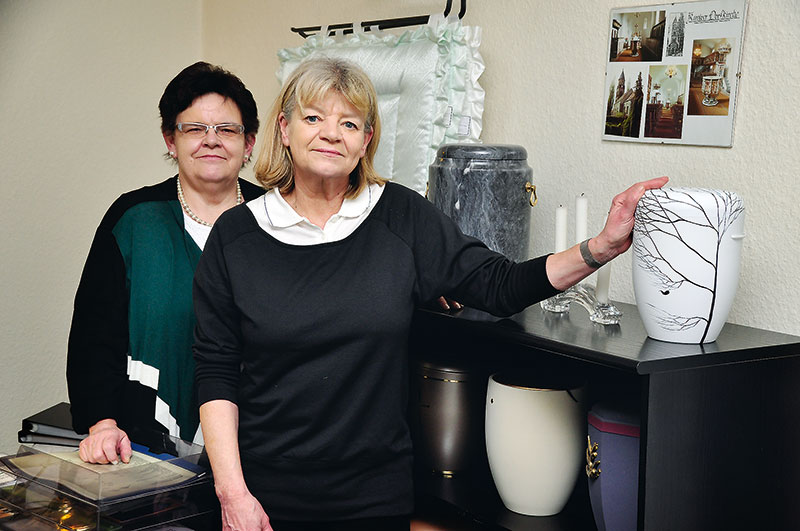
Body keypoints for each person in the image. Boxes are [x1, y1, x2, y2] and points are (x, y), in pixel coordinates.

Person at [193, 56, 668, 531]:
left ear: (366, 140)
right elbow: (216, 372)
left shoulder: (402, 218)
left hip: (374, 499)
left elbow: (499, 286)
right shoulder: (237, 237)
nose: (331, 134)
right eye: (313, 118)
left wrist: (601, 248)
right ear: (284, 128)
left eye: (349, 123)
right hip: (265, 499)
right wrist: (233, 495)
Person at [66, 61, 264, 465]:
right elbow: (94, 335)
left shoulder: (276, 220)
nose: (212, 141)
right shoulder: (134, 218)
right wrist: (102, 423)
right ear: (170, 140)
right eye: (194, 129)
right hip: (142, 446)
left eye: (227, 129)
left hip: (259, 446)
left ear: (249, 144)